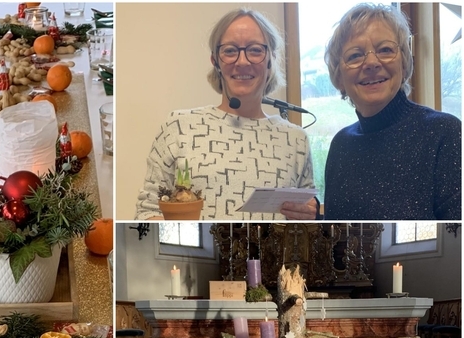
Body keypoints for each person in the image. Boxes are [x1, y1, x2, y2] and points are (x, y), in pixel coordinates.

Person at [135, 8, 317, 220]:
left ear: (271, 59)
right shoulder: (178, 127)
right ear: (215, 61)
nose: (242, 61)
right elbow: (147, 212)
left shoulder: (296, 140)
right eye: (230, 51)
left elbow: (307, 216)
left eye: (255, 50)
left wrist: (310, 215)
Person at [323, 3, 461, 220]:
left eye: (385, 50)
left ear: (404, 64)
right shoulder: (340, 145)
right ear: (339, 77)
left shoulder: (445, 133)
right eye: (355, 55)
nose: (371, 62)